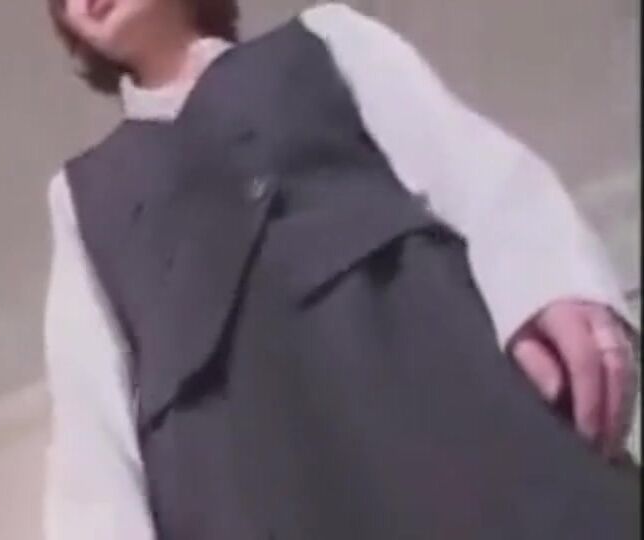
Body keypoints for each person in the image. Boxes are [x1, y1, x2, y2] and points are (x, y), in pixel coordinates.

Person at [41, 1, 640, 538]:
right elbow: (89, 408)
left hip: (437, 387)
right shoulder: (79, 194)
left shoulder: (328, 37)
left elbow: (471, 167)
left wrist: (551, 283)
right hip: (232, 487)